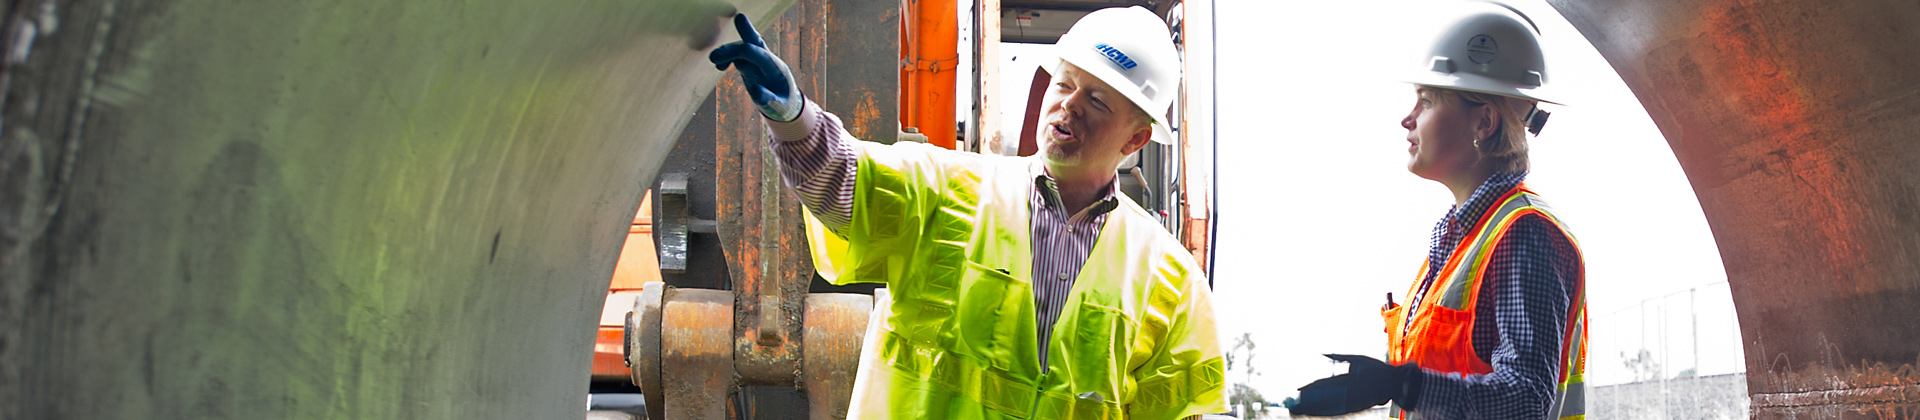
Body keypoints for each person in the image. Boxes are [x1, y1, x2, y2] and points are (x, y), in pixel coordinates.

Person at [706, 6, 1226, 420]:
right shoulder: (949, 189)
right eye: (1064, 84)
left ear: (1136, 138)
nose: (1068, 105)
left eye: (1098, 101)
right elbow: (847, 182)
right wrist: (793, 117)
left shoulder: (1171, 284)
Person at [1286, 3, 1587, 419]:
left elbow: (1526, 396)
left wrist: (1404, 385)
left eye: (1426, 101)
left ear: (1484, 123)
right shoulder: (1461, 239)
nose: (1406, 119)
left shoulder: (1525, 234)